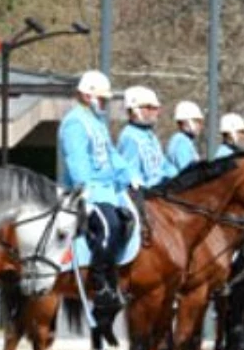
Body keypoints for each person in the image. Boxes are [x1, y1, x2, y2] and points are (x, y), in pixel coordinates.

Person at [59, 70, 135, 317]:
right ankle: (101, 283)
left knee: (128, 221)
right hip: (87, 192)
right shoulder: (74, 122)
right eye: (101, 98)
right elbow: (77, 159)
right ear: (86, 95)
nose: (104, 103)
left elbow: (111, 155)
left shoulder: (98, 123)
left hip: (110, 191)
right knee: (109, 225)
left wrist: (128, 176)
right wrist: (85, 191)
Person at [118, 86, 171, 185]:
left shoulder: (150, 135)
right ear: (134, 110)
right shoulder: (130, 137)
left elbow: (163, 165)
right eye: (149, 108)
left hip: (161, 189)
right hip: (148, 194)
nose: (155, 112)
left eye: (155, 108)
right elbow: (132, 175)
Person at [166, 101, 203, 173]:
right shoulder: (181, 142)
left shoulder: (186, 141)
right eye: (197, 121)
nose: (200, 126)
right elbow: (188, 173)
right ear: (186, 122)